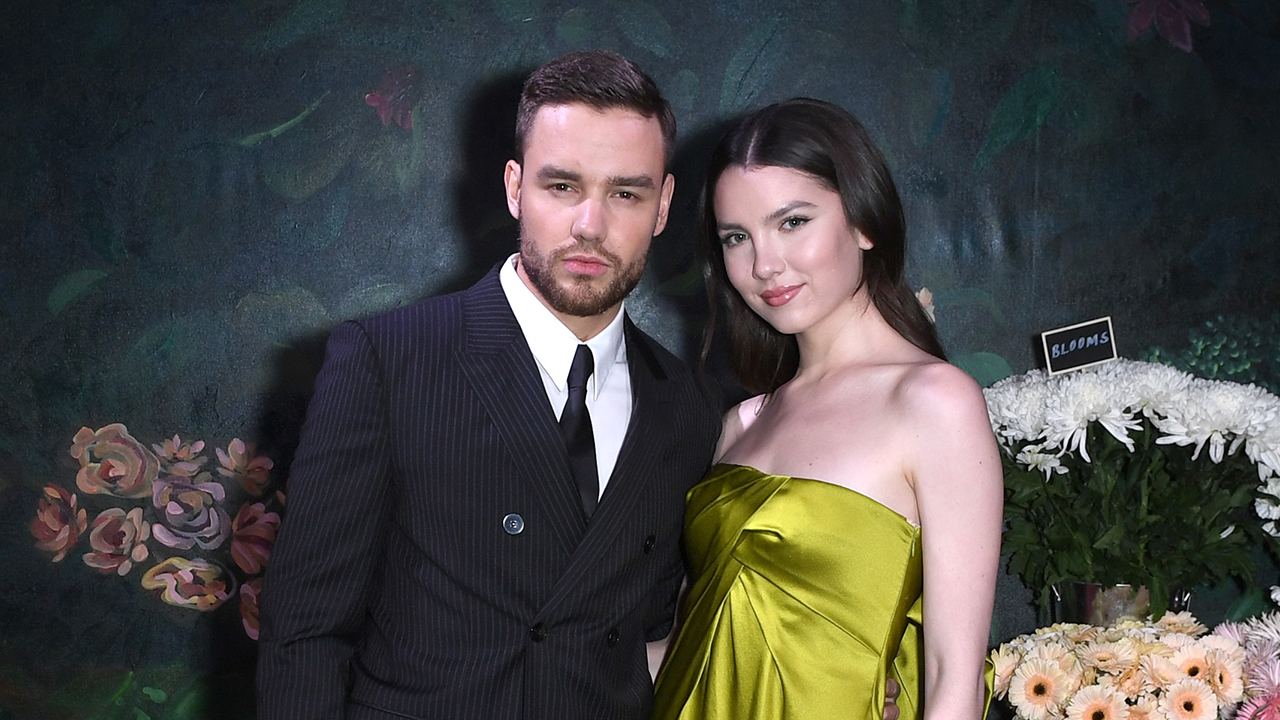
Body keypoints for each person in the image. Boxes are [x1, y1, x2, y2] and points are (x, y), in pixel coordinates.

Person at [256, 50, 721, 720]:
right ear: (514, 186)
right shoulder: (387, 361)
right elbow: (305, 632)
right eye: (561, 187)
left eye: (625, 192)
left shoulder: (685, 404)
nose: (590, 224)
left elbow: (658, 633)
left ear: (663, 205)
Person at [651, 98, 1003, 719]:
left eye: (792, 223)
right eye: (737, 237)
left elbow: (953, 678)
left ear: (865, 222)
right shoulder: (743, 423)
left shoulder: (934, 403)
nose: (764, 265)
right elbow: (691, 643)